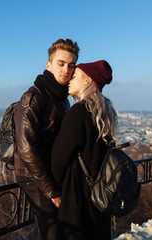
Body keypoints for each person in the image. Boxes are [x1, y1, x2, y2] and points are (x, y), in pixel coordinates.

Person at [14, 38, 80, 239]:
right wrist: (51, 190)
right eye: (61, 64)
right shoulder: (34, 97)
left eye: (71, 65)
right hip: (34, 176)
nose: (66, 70)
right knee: (53, 232)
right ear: (49, 65)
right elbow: (26, 149)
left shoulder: (62, 98)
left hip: (53, 174)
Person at [51, 60, 117, 239]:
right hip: (100, 195)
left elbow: (59, 158)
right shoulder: (104, 112)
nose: (70, 79)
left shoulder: (79, 112)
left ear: (87, 80)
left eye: (76, 75)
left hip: (78, 197)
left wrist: (52, 189)